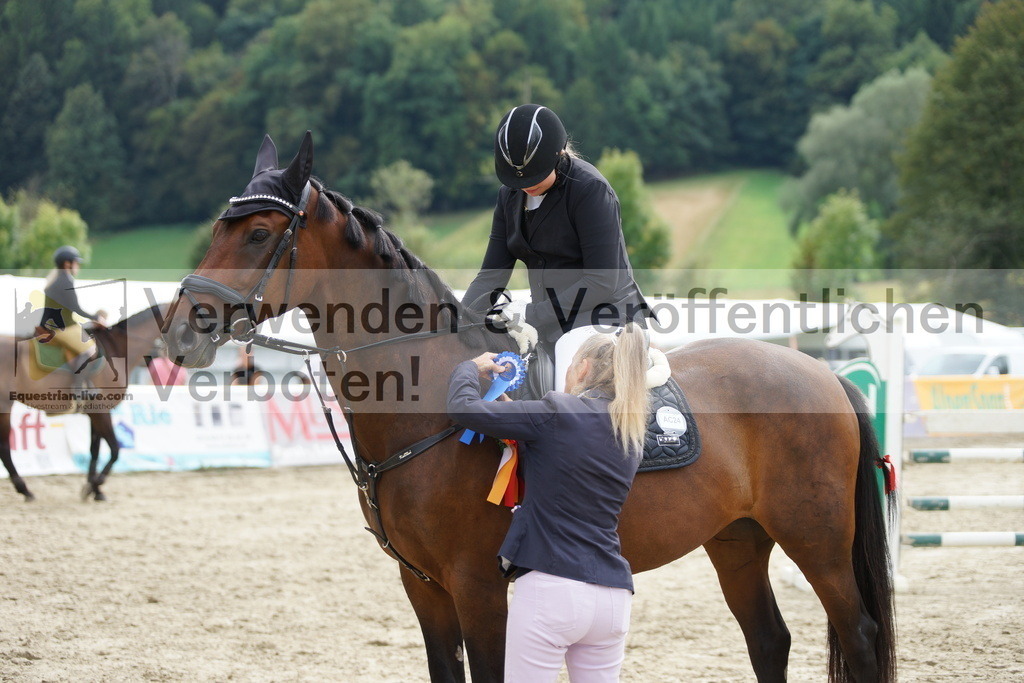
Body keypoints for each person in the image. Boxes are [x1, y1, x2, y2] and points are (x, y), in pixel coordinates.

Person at [447, 324, 651, 682]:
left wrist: (470, 367)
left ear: (584, 368)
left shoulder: (557, 411)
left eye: (572, 364)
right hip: (614, 597)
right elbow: (564, 459)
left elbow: (462, 408)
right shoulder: (630, 431)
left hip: (552, 589)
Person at [462, 104, 650, 391]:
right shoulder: (508, 197)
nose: (526, 185)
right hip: (548, 322)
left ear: (559, 154)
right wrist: (455, 323)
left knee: (568, 392)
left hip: (602, 319)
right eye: (517, 178)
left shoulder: (590, 190)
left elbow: (602, 281)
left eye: (535, 174)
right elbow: (491, 277)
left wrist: (530, 314)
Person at [40, 245, 105, 366]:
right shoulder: (65, 281)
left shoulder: (55, 279)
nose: (78, 266)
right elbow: (76, 309)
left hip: (54, 325)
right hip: (62, 327)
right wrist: (97, 318)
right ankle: (78, 384)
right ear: (67, 264)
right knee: (91, 351)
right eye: (76, 262)